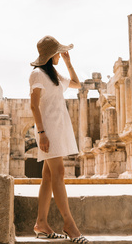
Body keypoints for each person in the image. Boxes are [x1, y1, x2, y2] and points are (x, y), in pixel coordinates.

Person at [29, 35, 89, 244]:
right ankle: (69, 225)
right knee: (59, 172)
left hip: (58, 128)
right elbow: (34, 106)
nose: (58, 55)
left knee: (48, 176)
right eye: (57, 53)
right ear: (50, 54)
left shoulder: (53, 74)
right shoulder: (37, 74)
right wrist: (41, 133)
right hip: (48, 132)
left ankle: (41, 224)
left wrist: (68, 62)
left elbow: (76, 84)